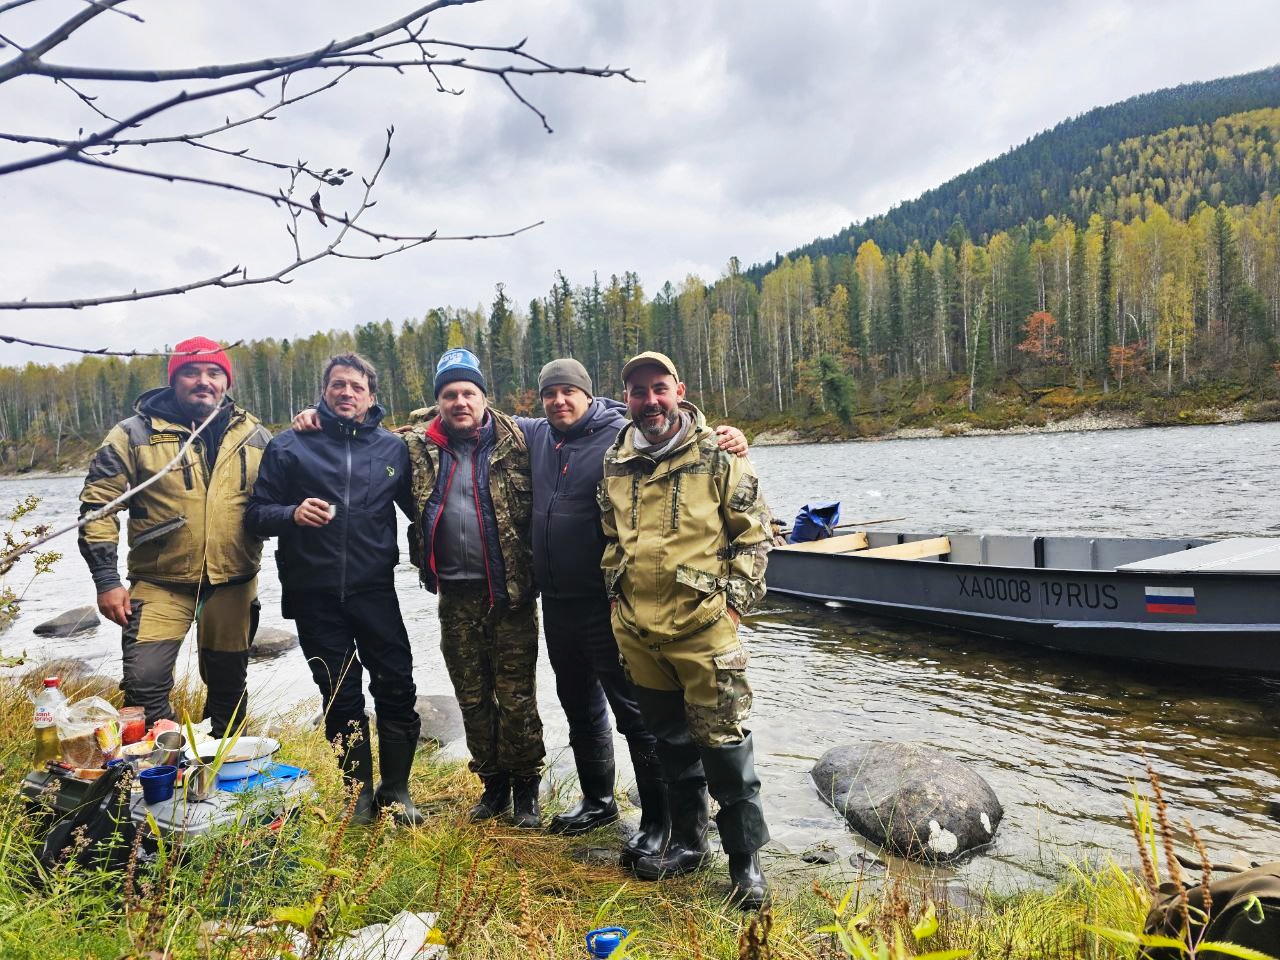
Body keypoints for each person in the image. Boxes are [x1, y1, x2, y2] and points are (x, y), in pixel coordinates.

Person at [519, 358, 745, 870]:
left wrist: (725, 435)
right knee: (577, 706)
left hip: (610, 605)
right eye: (550, 393)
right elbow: (471, 414)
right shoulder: (534, 435)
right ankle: (598, 801)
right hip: (556, 602)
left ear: (590, 393)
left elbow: (676, 423)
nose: (559, 401)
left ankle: (658, 819)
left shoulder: (620, 430)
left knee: (638, 716)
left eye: (568, 392)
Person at [598, 350, 774, 910]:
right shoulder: (617, 461)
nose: (649, 400)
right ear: (624, 398)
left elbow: (754, 537)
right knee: (671, 743)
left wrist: (734, 610)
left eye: (659, 388)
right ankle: (690, 844)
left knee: (725, 747)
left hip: (704, 629)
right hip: (639, 633)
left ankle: (745, 864)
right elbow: (611, 536)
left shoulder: (719, 455)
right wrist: (615, 596)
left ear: (679, 389)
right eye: (638, 391)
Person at [245, 353, 422, 825]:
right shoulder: (289, 447)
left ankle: (397, 790)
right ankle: (358, 798)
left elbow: (422, 510)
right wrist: (291, 514)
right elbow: (256, 513)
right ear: (323, 391)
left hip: (374, 590)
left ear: (371, 397)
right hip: (313, 593)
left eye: (356, 387)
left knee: (398, 686)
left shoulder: (392, 449)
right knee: (340, 696)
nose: (346, 393)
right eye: (337, 385)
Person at [78, 337, 271, 737]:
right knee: (143, 683)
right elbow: (98, 508)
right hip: (159, 582)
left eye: (214, 372)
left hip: (233, 582)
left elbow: (283, 501)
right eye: (191, 372)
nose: (203, 381)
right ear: (174, 379)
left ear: (226, 381)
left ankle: (220, 768)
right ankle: (166, 764)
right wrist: (107, 582)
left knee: (229, 686)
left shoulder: (254, 435)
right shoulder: (133, 434)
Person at [403, 349, 544, 827]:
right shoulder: (417, 446)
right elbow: (359, 435)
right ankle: (492, 786)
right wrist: (312, 419)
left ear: (485, 396)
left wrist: (712, 431)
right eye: (450, 394)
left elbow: (594, 416)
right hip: (454, 596)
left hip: (511, 594)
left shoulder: (522, 439)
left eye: (468, 393)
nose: (460, 402)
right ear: (437, 401)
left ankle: (526, 789)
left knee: (516, 696)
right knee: (472, 696)